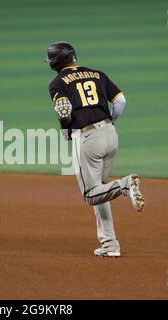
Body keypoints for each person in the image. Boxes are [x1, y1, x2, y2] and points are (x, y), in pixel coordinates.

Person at [45, 41, 145, 257]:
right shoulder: (97, 74)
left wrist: (65, 133)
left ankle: (125, 185)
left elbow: (63, 112)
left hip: (88, 138)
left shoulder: (57, 83)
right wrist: (112, 122)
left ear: (54, 64)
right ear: (73, 57)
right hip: (110, 135)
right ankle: (110, 245)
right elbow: (120, 101)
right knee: (100, 190)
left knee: (91, 194)